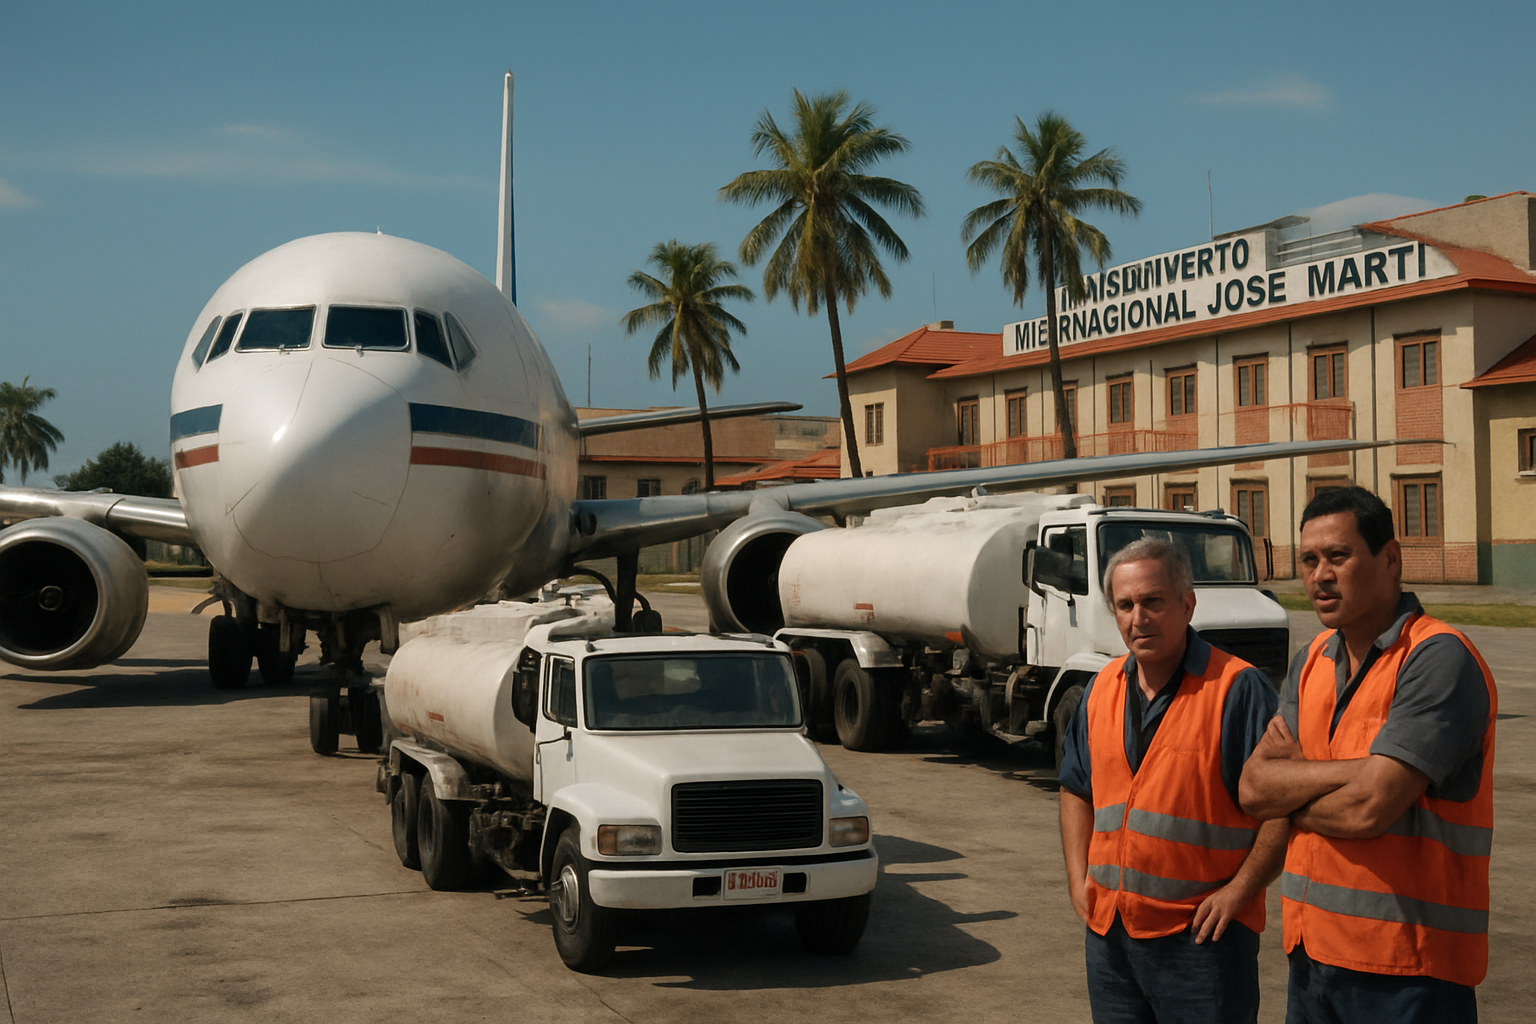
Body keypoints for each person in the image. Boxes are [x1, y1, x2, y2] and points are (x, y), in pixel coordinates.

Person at [1239, 486, 1497, 1023]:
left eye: (1338, 556)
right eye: (1309, 560)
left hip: (1409, 970)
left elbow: (1368, 809)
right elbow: (1253, 790)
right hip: (1312, 959)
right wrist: (1357, 772)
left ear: (1391, 559)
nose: (1320, 576)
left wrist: (1294, 791)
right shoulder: (1311, 661)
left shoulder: (1436, 658)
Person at [1058, 537, 1289, 1023]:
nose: (1138, 618)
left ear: (1187, 605)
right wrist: (1080, 882)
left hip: (1202, 943)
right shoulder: (1101, 689)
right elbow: (1076, 788)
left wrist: (1240, 892)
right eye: (1125, 605)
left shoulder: (1236, 688)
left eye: (1152, 602)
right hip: (1111, 940)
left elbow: (1282, 807)